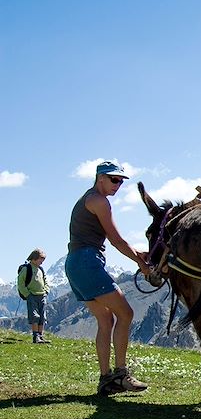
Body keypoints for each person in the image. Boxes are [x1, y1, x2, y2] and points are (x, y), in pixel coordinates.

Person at [65, 160, 151, 396]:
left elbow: (109, 241)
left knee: (106, 320)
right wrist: (141, 263)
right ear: (99, 177)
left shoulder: (88, 199)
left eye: (121, 181)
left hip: (75, 263)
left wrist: (138, 253)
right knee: (126, 313)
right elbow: (116, 240)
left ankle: (106, 380)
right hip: (87, 262)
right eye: (114, 179)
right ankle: (122, 374)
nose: (118, 185)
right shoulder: (100, 202)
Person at [18, 248, 51, 344]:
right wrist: (27, 294)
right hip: (32, 295)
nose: (42, 262)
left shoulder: (41, 269)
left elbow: (45, 281)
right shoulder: (26, 269)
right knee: (34, 316)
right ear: (34, 258)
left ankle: (41, 335)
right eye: (40, 259)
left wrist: (46, 291)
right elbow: (21, 283)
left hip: (42, 295)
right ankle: (35, 336)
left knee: (42, 316)